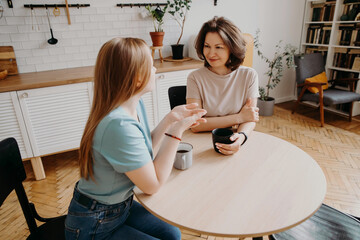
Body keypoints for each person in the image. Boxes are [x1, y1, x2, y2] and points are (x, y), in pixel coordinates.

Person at [64, 37, 206, 240]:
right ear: (138, 78)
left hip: (120, 207)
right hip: (95, 223)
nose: (156, 70)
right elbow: (153, 185)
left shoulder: (133, 104)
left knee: (172, 234)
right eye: (152, 65)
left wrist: (169, 120)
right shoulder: (117, 125)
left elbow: (144, 153)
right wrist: (177, 131)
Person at [186, 16, 260, 155]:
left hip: (234, 138)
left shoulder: (249, 76)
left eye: (218, 47)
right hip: (201, 146)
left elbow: (250, 117)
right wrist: (239, 118)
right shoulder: (195, 78)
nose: (210, 53)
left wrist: (242, 137)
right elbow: (195, 125)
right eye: (207, 46)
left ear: (232, 49)